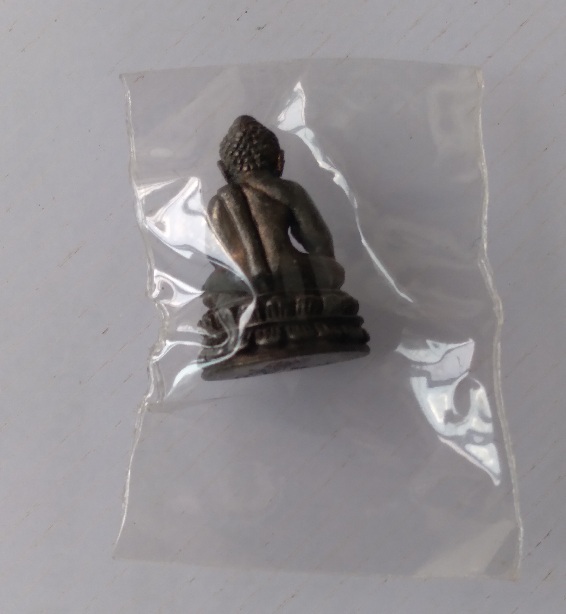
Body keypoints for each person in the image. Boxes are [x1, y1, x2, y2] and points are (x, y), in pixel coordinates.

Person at [204, 115, 345, 299]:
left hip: (241, 280)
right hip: (290, 271)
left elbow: (215, 258)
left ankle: (241, 301)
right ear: (280, 160)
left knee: (212, 288)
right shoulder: (289, 191)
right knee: (334, 271)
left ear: (224, 170)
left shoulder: (217, 203)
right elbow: (319, 242)